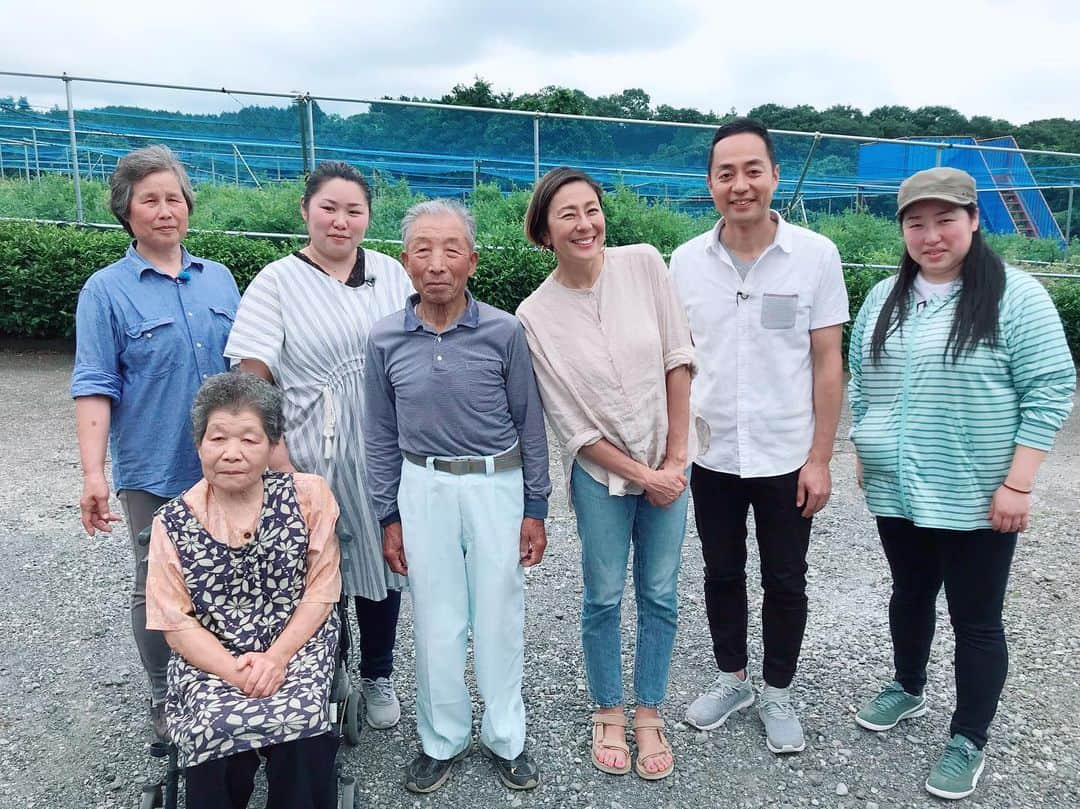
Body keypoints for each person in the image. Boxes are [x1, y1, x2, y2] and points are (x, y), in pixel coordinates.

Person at [848, 167, 1076, 800]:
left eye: (945, 219)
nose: (930, 235)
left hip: (976, 492)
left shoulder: (1016, 296)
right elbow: (862, 375)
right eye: (915, 223)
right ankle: (908, 686)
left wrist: (1019, 483)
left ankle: (969, 736)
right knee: (910, 594)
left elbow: (1052, 386)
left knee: (976, 619)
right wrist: (864, 444)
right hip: (898, 487)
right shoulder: (884, 297)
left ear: (974, 220)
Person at [669, 118, 849, 754]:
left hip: (786, 452)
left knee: (786, 577)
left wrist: (821, 458)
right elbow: (678, 359)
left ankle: (778, 690)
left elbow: (828, 362)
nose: (739, 185)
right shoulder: (686, 261)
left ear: (774, 174)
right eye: (726, 174)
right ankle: (732, 677)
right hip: (713, 452)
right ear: (710, 183)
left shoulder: (815, 256)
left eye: (752, 171)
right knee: (721, 571)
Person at [516, 167, 701, 781]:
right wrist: (643, 477)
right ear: (544, 229)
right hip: (602, 477)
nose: (584, 223)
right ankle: (608, 709)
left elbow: (679, 358)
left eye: (591, 209)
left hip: (669, 461)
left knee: (660, 592)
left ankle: (649, 709)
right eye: (567, 213)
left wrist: (674, 460)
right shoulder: (534, 315)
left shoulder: (646, 264)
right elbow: (572, 424)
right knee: (602, 595)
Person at [363, 199, 550, 794]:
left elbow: (531, 422)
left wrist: (536, 508)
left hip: (498, 483)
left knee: (499, 615)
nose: (437, 263)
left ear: (472, 259)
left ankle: (505, 736)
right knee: (437, 618)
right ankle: (441, 738)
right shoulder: (386, 337)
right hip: (424, 485)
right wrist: (387, 514)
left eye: (451, 250)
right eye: (423, 249)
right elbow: (380, 433)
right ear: (405, 260)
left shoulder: (503, 330)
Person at [224, 161, 414, 730]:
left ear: (367, 219)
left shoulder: (389, 273)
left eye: (354, 211)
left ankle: (377, 673)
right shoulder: (277, 280)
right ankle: (323, 676)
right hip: (308, 446)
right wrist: (276, 457)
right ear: (306, 211)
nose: (340, 221)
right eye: (329, 208)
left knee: (385, 564)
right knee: (316, 568)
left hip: (386, 445)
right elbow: (251, 374)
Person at [71, 145, 240, 741]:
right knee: (157, 581)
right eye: (150, 200)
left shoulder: (218, 278)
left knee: (230, 571)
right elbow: (94, 383)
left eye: (174, 198)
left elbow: (244, 373)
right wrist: (94, 474)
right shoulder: (106, 290)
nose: (165, 210)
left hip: (230, 465)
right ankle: (165, 692)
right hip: (153, 465)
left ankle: (220, 676)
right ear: (127, 211)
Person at [145, 372, 342, 809]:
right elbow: (174, 622)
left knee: (303, 721)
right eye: (218, 439)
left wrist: (276, 658)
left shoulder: (308, 496)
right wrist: (235, 672)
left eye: (250, 440)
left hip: (297, 642)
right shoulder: (171, 523)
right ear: (199, 444)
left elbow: (321, 592)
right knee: (212, 724)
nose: (231, 454)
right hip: (212, 653)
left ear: (273, 445)